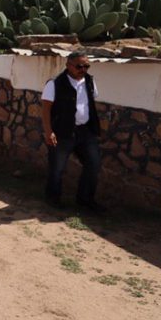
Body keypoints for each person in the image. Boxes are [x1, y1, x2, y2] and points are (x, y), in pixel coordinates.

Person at [41, 51, 105, 213]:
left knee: (93, 163)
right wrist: (49, 132)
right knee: (57, 167)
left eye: (86, 66)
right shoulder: (55, 83)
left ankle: (85, 200)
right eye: (79, 66)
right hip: (62, 132)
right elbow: (46, 109)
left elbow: (89, 102)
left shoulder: (89, 81)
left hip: (85, 131)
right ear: (68, 65)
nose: (83, 69)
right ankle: (53, 198)